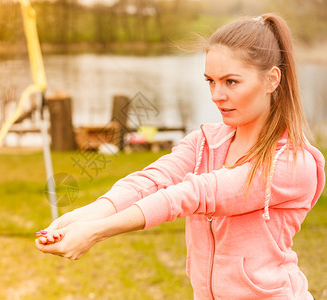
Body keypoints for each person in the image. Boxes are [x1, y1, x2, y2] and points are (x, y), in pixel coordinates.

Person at [35, 13, 325, 299]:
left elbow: (194, 193)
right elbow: (149, 182)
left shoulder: (294, 164)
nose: (216, 95)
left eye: (231, 82)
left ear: (272, 79)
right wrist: (82, 216)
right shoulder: (204, 143)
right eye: (210, 81)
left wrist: (96, 231)